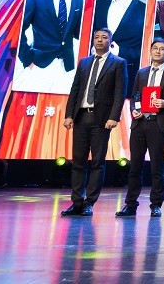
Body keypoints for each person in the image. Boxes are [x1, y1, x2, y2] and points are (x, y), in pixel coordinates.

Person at [60, 27, 126, 216]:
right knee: (78, 162)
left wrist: (114, 117)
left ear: (110, 42)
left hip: (101, 119)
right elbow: (75, 89)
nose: (99, 40)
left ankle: (89, 202)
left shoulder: (118, 63)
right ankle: (76, 202)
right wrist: (69, 114)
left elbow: (120, 93)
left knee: (97, 162)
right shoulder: (84, 62)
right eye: (97, 37)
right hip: (81, 117)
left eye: (104, 37)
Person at [116, 38, 164, 218]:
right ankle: (130, 204)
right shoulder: (142, 73)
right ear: (150, 50)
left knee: (157, 166)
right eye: (155, 48)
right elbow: (135, 96)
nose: (158, 51)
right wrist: (134, 109)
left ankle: (156, 204)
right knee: (135, 166)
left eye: (162, 49)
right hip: (140, 124)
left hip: (158, 124)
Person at [16, 0, 84, 93]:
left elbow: (78, 31)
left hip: (67, 66)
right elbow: (19, 29)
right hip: (39, 64)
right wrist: (27, 59)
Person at [93, 0, 147, 93]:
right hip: (95, 76)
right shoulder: (97, 6)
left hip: (127, 81)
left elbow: (147, 51)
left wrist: (120, 52)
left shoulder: (146, 11)